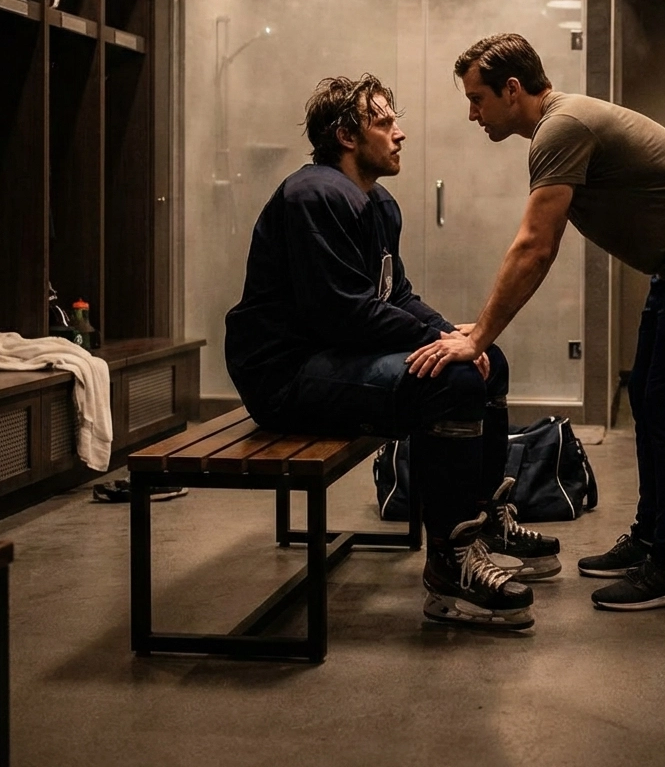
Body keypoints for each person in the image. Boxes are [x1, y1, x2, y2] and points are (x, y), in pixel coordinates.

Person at [407, 34, 665, 612]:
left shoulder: (561, 127)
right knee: (652, 403)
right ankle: (652, 538)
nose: (471, 113)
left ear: (512, 89)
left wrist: (477, 336)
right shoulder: (560, 125)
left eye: (477, 99)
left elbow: (535, 247)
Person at [224, 73, 560, 632]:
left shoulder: (377, 203)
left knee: (486, 361)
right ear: (347, 137)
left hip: (333, 359)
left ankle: (483, 522)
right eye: (384, 122)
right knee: (452, 383)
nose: (399, 134)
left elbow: (394, 294)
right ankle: (449, 570)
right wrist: (439, 345)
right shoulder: (316, 194)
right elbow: (340, 313)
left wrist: (463, 339)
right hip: (285, 375)